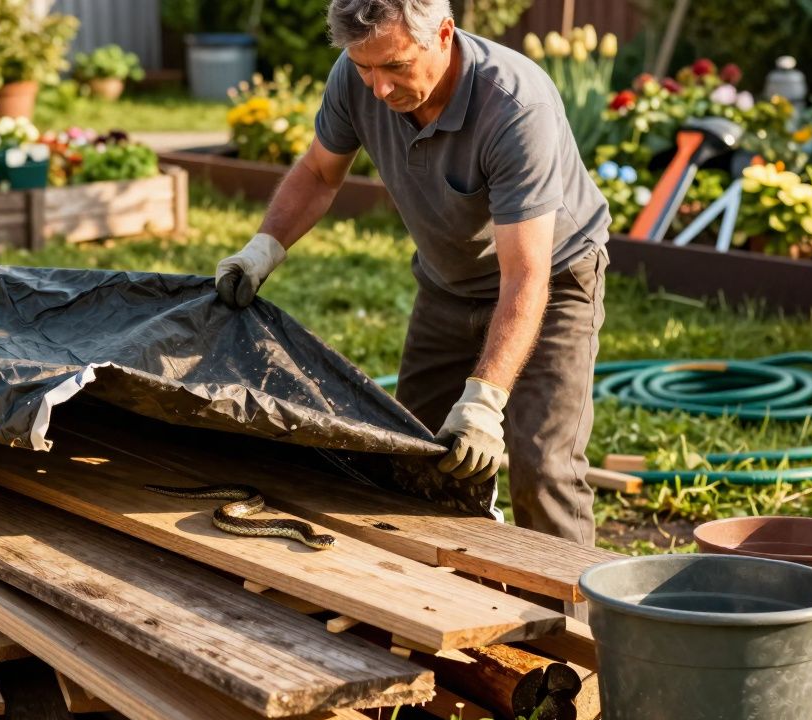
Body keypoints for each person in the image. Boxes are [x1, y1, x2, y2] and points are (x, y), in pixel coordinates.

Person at [213, 0, 611, 548]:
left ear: (444, 34)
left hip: (552, 281)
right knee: (411, 456)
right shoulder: (358, 76)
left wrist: (486, 399)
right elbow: (318, 173)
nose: (377, 87)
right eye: (363, 67)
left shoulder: (515, 105)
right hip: (447, 284)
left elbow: (525, 276)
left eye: (395, 66)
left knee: (544, 471)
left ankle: (576, 630)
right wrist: (263, 249)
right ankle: (445, 598)